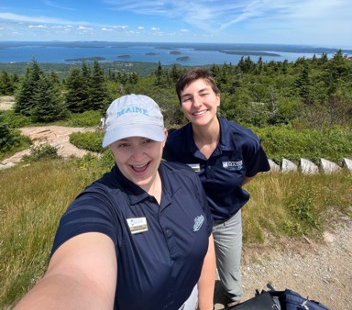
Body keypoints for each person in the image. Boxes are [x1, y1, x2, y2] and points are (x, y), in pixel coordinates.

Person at [14, 94, 216, 310]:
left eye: (147, 140)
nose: (138, 157)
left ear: (164, 137)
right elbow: (76, 275)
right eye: (124, 144)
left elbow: (206, 236)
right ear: (111, 146)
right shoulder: (100, 203)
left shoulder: (187, 179)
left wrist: (205, 305)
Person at [163, 68, 270, 308]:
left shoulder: (245, 141)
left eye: (204, 94)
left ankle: (233, 298)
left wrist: (227, 190)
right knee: (190, 275)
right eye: (187, 98)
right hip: (188, 222)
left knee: (231, 279)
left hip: (228, 217)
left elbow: (250, 173)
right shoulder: (174, 145)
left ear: (218, 98)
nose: (196, 103)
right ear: (181, 105)